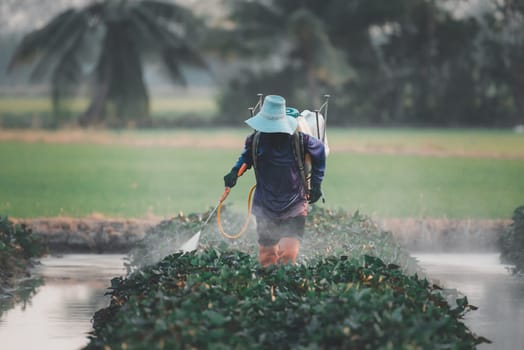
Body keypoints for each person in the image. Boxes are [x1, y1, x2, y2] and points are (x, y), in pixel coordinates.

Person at [223, 95, 326, 266]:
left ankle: (285, 288)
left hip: (294, 204)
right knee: (267, 257)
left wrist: (316, 183)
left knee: (288, 255)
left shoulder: (300, 140)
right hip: (265, 206)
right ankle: (268, 290)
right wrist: (235, 172)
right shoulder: (255, 140)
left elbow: (320, 151)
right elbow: (245, 158)